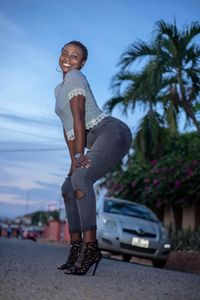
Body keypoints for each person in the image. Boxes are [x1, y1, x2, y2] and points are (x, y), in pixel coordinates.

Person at [55, 41, 132, 276]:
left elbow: (79, 118)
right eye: (65, 53)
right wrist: (73, 162)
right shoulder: (59, 89)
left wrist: (79, 157)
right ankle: (76, 248)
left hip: (112, 132)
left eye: (75, 56)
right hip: (93, 138)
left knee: (81, 177)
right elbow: (69, 130)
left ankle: (91, 249)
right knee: (68, 186)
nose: (68, 59)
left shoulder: (76, 76)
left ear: (82, 62)